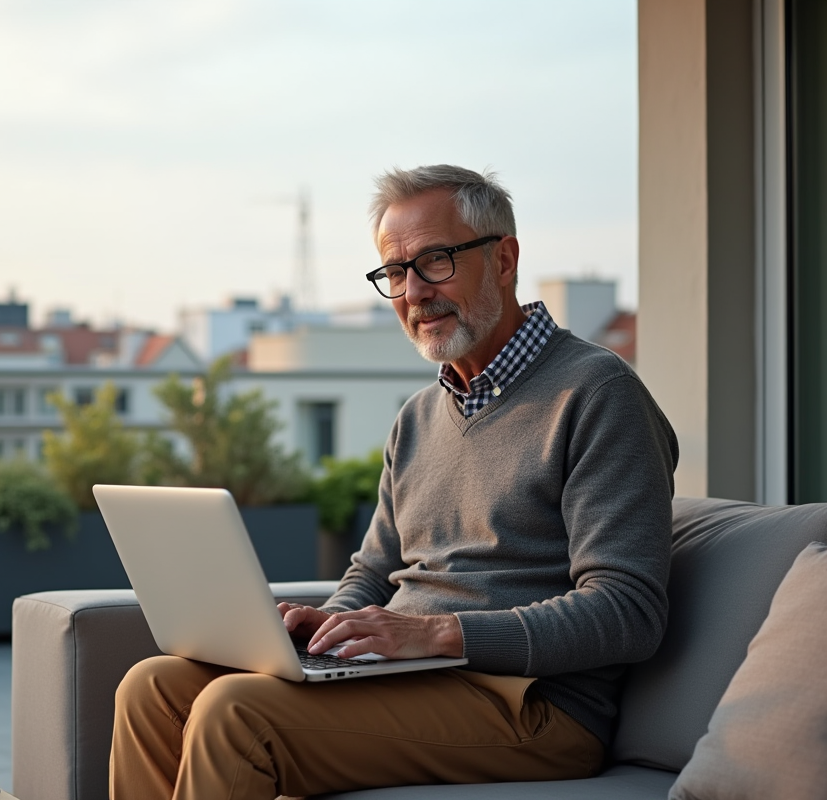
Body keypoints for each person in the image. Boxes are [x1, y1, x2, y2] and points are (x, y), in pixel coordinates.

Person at [109, 165, 679, 800]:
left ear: (504, 259)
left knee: (235, 712)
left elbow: (628, 611)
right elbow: (374, 573)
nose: (414, 292)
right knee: (152, 689)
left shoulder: (599, 394)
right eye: (395, 272)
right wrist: (326, 626)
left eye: (435, 261)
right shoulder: (417, 417)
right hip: (409, 676)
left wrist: (436, 633)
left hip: (533, 705)